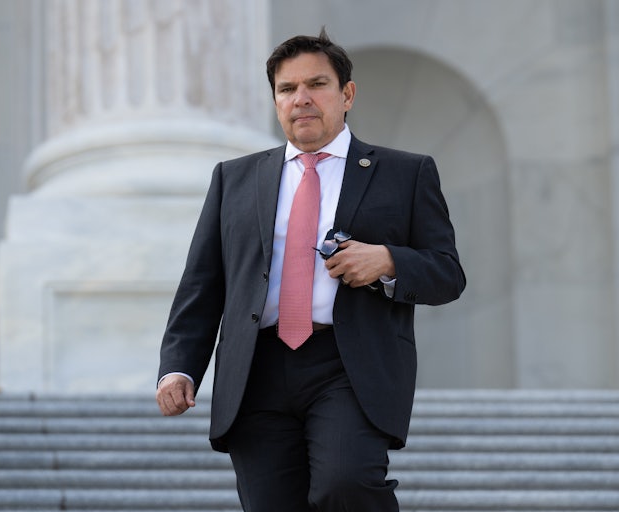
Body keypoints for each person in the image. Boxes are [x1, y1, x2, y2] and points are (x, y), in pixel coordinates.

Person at [156, 29, 466, 512]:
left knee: (346, 485)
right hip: (256, 368)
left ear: (347, 94)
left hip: (348, 365)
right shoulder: (234, 178)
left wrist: (388, 261)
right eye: (286, 89)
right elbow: (202, 284)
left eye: (316, 84)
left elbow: (447, 273)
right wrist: (178, 367)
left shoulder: (406, 173)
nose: (301, 99)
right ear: (276, 100)